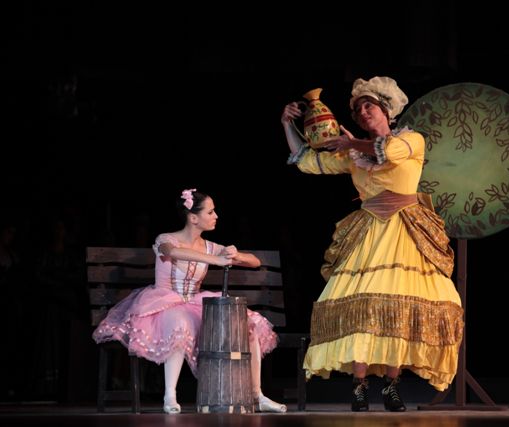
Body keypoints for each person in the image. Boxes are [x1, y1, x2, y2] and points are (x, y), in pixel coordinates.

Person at [281, 76, 464, 411]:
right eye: (358, 109)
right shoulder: (354, 154)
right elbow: (309, 162)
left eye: (370, 106)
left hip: (407, 231)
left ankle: (391, 386)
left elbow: (389, 152)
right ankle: (359, 386)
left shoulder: (412, 140)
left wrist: (351, 145)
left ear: (387, 111)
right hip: (368, 233)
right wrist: (287, 124)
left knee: (397, 307)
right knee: (361, 308)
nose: (363, 112)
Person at [92, 189, 287, 414]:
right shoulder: (165, 239)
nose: (216, 216)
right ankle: (170, 396)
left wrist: (236, 255)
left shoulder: (208, 245)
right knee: (180, 322)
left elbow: (255, 262)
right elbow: (174, 252)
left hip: (194, 301)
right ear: (193, 218)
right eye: (211, 212)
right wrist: (216, 259)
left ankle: (256, 395)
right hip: (163, 302)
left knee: (245, 322)